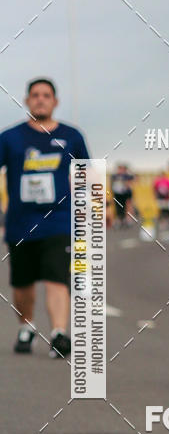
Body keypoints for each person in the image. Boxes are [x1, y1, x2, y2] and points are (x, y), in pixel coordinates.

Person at [0, 78, 90, 358]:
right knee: (22, 285)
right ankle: (26, 328)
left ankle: (59, 334)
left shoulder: (71, 135)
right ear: (27, 101)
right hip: (20, 223)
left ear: (55, 101)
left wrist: (95, 210)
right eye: (35, 95)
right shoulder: (10, 138)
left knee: (57, 277)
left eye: (46, 95)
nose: (40, 99)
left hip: (59, 221)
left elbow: (87, 173)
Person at [110, 163, 135, 228]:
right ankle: (119, 219)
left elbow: (132, 181)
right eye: (120, 169)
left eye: (123, 169)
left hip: (126, 193)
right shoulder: (114, 176)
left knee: (128, 206)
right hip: (117, 194)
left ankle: (128, 219)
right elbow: (112, 184)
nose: (121, 170)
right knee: (118, 207)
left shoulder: (128, 176)